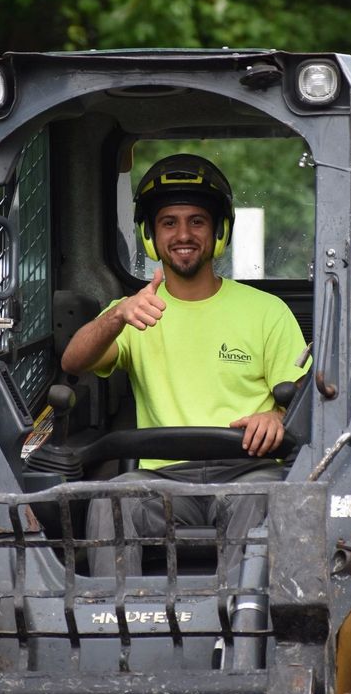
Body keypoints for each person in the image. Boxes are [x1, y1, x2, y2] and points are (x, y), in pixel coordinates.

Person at [61, 153, 309, 575]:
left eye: (197, 221)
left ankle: (240, 629)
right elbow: (74, 358)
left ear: (218, 232)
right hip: (165, 480)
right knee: (111, 499)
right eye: (168, 223)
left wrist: (275, 416)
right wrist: (116, 316)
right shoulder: (133, 312)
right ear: (150, 237)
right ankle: (116, 625)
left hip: (249, 473)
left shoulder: (268, 312)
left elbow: (303, 400)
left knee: (267, 497)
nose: (183, 234)